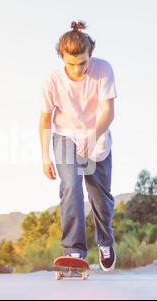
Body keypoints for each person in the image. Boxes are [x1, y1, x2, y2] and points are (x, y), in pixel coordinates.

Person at [39, 20, 118, 271]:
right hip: (65, 136)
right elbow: (45, 118)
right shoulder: (52, 79)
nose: (78, 69)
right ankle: (74, 250)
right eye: (71, 63)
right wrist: (44, 157)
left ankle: (105, 241)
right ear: (62, 56)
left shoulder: (103, 69)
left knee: (100, 197)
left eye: (83, 62)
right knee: (71, 186)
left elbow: (108, 112)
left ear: (90, 55)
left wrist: (92, 137)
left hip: (97, 135)